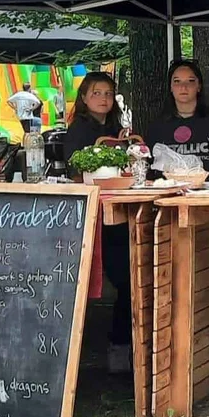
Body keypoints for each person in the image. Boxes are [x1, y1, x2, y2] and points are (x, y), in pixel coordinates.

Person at [62, 72, 133, 374]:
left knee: (129, 277)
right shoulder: (79, 130)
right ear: (84, 97)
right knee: (124, 278)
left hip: (117, 214)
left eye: (108, 93)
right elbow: (75, 169)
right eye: (96, 93)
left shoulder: (117, 129)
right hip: (92, 217)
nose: (103, 99)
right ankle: (117, 347)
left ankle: (123, 345)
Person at [144, 59, 209, 179]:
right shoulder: (157, 127)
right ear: (171, 87)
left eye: (190, 81)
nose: (183, 87)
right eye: (177, 81)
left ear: (199, 86)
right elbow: (148, 171)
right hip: (167, 189)